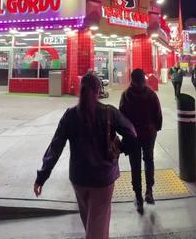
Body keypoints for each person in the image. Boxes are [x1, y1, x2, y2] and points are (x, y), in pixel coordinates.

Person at [34, 73, 136, 239]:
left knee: (91, 221)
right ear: (98, 91)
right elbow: (132, 132)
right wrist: (123, 149)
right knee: (98, 224)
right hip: (103, 177)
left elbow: (55, 147)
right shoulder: (109, 113)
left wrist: (42, 176)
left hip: (79, 178)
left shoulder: (70, 115)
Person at [119, 69, 163, 213]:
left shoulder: (126, 95)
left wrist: (125, 134)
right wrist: (155, 128)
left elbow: (121, 117)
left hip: (133, 136)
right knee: (149, 160)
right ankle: (149, 191)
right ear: (144, 80)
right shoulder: (151, 94)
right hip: (149, 134)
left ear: (132, 80)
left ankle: (138, 197)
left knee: (135, 164)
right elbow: (158, 115)